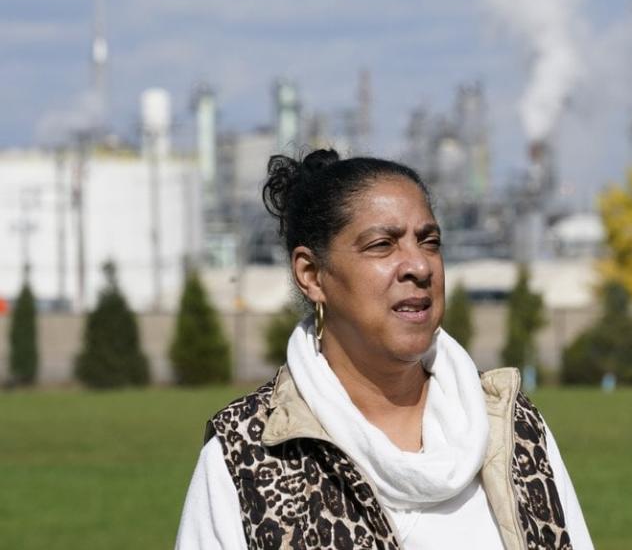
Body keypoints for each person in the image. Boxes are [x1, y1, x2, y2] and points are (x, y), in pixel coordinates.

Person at [175, 149, 593, 550]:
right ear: (312, 275)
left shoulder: (512, 430)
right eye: (382, 245)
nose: (420, 265)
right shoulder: (249, 455)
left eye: (429, 241)